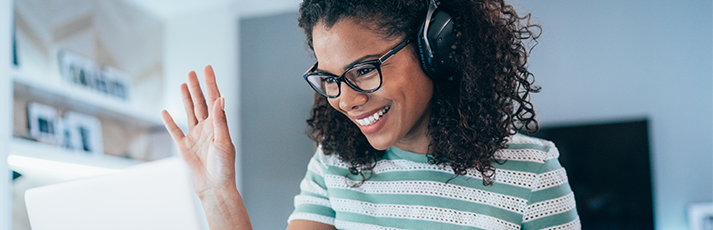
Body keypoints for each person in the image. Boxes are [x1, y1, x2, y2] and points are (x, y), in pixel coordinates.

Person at [161, 0, 581, 229]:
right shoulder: (334, 165)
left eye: (363, 70)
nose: (344, 99)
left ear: (434, 48)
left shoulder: (533, 171)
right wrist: (217, 195)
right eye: (329, 78)